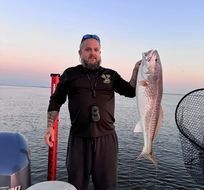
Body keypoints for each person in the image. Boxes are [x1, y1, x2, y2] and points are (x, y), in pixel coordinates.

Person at [44, 34, 141, 190]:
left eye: (96, 50)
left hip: (106, 140)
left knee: (107, 186)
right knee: (75, 186)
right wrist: (50, 127)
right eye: (88, 49)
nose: (92, 53)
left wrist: (137, 70)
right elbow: (56, 100)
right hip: (79, 140)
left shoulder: (111, 75)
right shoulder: (70, 74)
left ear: (100, 53)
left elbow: (130, 91)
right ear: (80, 53)